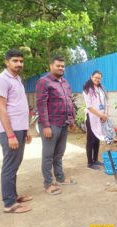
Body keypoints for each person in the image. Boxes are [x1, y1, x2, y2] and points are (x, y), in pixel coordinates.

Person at [0, 49, 33, 213]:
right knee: (10, 166)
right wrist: (10, 134)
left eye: (21, 61)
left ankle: (13, 195)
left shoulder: (17, 79)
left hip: (20, 129)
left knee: (15, 164)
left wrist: (26, 129)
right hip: (10, 131)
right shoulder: (1, 80)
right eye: (15, 61)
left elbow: (20, 107)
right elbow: (1, 109)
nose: (19, 64)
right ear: (6, 62)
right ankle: (9, 204)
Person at [36, 56, 76, 195]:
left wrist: (71, 120)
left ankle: (60, 177)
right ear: (51, 66)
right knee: (48, 155)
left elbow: (69, 102)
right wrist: (46, 126)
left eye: (63, 66)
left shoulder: (64, 82)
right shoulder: (44, 82)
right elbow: (41, 105)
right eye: (58, 66)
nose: (61, 68)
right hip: (51, 125)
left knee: (59, 154)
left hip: (63, 123)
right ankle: (48, 184)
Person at [82, 70, 108, 170]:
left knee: (97, 138)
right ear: (91, 76)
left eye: (99, 78)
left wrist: (105, 114)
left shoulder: (101, 88)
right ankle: (90, 162)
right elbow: (89, 106)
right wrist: (101, 115)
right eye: (96, 77)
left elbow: (105, 102)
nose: (97, 79)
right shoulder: (87, 89)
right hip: (91, 117)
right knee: (90, 140)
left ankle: (95, 159)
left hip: (100, 117)